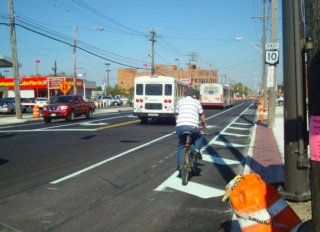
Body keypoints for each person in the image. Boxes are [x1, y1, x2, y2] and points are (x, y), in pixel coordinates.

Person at [175, 87, 206, 171]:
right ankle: (196, 151)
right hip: (193, 127)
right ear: (193, 95)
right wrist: (203, 124)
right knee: (199, 137)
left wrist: (179, 123)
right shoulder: (196, 102)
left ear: (184, 95)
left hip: (180, 126)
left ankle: (179, 165)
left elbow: (177, 115)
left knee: (181, 144)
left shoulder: (179, 101)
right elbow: (202, 116)